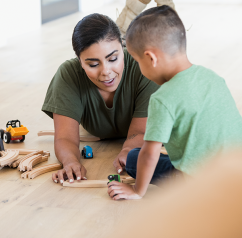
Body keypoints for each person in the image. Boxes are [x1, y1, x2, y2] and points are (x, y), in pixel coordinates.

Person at [107, 5, 242, 200]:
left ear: (151, 58)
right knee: (234, 138)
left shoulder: (162, 99)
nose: (139, 67)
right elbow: (227, 124)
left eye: (137, 61)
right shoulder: (211, 76)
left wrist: (138, 191)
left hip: (204, 182)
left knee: (134, 159)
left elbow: (150, 154)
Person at [42, 13, 160, 184]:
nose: (106, 71)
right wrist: (70, 162)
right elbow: (65, 138)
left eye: (113, 58)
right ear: (80, 62)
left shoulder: (143, 68)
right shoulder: (68, 74)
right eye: (93, 64)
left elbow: (141, 132)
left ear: (123, 47)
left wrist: (128, 150)